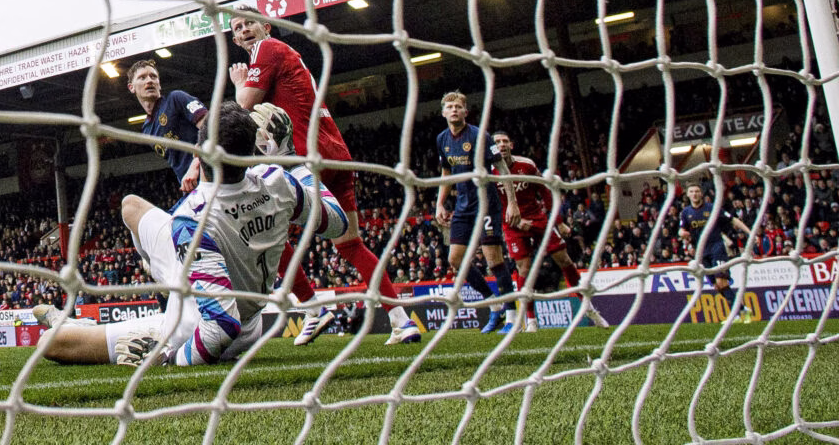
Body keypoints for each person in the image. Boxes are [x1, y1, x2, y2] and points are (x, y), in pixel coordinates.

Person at [31, 103, 349, 365]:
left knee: (51, 342)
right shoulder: (277, 181)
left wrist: (170, 357)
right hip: (230, 283)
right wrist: (293, 160)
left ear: (197, 151)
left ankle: (86, 325)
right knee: (131, 207)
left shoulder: (191, 216)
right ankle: (164, 277)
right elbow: (337, 222)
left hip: (200, 321)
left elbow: (222, 327)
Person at [229, 17, 422, 345]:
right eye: (237, 28)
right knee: (350, 244)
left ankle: (313, 309)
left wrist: (238, 83)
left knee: (264, 235)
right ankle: (401, 320)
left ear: (267, 28)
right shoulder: (282, 54)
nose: (245, 30)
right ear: (234, 39)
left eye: (251, 23)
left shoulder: (266, 49)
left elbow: (244, 106)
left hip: (304, 158)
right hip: (334, 152)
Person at [490, 130, 600, 331]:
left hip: (539, 219)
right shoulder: (489, 172)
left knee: (564, 259)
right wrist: (515, 222)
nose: (502, 144)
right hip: (512, 225)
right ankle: (531, 320)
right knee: (524, 268)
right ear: (493, 147)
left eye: (505, 141)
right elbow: (492, 204)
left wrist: (558, 222)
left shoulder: (527, 165)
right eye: (497, 142)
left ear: (511, 145)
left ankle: (589, 308)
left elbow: (545, 192)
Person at [434, 91, 520, 333]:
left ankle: (512, 316)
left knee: (494, 260)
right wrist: (440, 203)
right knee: (455, 259)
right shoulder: (442, 139)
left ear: (465, 112)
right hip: (462, 204)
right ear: (443, 112)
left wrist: (512, 202)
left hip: (486, 203)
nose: (454, 110)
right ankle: (493, 307)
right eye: (449, 106)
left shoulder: (480, 135)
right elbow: (446, 174)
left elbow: (502, 167)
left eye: (458, 106)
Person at [127, 59, 209, 189]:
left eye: (153, 76)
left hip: (211, 178)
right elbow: (176, 162)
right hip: (191, 189)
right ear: (131, 87)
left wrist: (196, 163)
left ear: (159, 84)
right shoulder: (147, 129)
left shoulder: (176, 99)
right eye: (142, 77)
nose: (149, 80)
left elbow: (213, 130)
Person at [679, 180, 755, 311]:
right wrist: (682, 233)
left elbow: (733, 219)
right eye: (691, 192)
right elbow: (681, 229)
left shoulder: (712, 208)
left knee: (721, 282)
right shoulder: (686, 212)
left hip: (717, 248)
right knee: (717, 286)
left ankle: (736, 312)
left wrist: (750, 233)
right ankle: (741, 309)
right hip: (701, 252)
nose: (695, 194)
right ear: (687, 194)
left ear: (701, 193)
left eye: (697, 191)